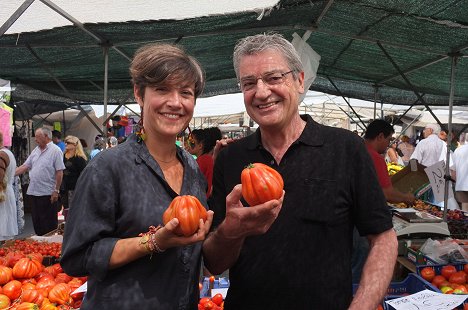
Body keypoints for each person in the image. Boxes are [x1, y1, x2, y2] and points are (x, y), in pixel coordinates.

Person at [202, 33, 397, 309]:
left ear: (299, 80)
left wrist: (362, 305)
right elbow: (214, 262)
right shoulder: (231, 158)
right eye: (249, 83)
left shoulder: (345, 149)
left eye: (273, 78)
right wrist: (230, 232)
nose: (261, 92)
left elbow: (383, 239)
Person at [60, 43, 214, 309]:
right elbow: (77, 257)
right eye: (162, 89)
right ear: (139, 94)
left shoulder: (192, 169)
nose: (175, 102)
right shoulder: (108, 168)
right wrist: (153, 242)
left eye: (185, 93)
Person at [15, 127, 65, 236]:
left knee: (49, 224)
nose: (35, 139)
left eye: (38, 137)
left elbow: (59, 172)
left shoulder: (55, 151)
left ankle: (50, 245)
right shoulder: (36, 150)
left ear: (46, 137)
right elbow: (25, 166)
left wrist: (56, 190)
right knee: (37, 222)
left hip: (47, 193)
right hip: (34, 192)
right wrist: (10, 174)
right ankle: (40, 244)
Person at [365, 120, 415, 205]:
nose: (389, 144)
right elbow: (387, 194)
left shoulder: (357, 149)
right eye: (389, 139)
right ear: (380, 136)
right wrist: (406, 197)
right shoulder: (375, 158)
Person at [188, 127, 222, 197]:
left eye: (192, 142)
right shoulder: (206, 159)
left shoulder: (202, 161)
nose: (188, 144)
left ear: (200, 145)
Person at [62, 136, 88, 220]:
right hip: (63, 188)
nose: (66, 144)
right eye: (65, 142)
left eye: (68, 142)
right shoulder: (62, 156)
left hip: (75, 188)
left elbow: (84, 175)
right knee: (66, 209)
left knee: (74, 210)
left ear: (75, 144)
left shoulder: (80, 158)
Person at [0, 131, 18, 240]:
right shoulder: (8, 152)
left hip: (2, 192)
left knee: (3, 225)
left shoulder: (2, 154)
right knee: (6, 224)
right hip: (7, 191)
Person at [450, 134, 468, 211]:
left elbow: (453, 172)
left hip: (461, 185)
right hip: (461, 185)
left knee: (464, 211)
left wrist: (455, 182)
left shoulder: (458, 150)